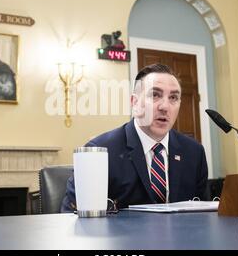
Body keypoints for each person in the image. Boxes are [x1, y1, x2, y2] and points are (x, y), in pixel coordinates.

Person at [61, 64, 208, 212]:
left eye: (173, 98)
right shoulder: (99, 152)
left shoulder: (194, 152)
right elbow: (71, 216)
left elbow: (205, 215)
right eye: (155, 95)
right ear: (134, 102)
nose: (165, 106)